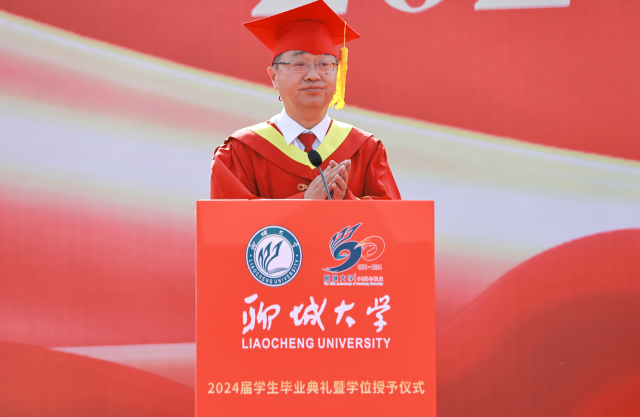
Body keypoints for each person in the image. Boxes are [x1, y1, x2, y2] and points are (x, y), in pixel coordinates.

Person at [210, 0, 401, 200]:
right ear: (274, 77)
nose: (313, 75)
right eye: (299, 64)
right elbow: (227, 218)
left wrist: (346, 203)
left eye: (324, 64)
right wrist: (304, 203)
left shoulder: (365, 150)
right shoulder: (240, 152)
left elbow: (392, 218)